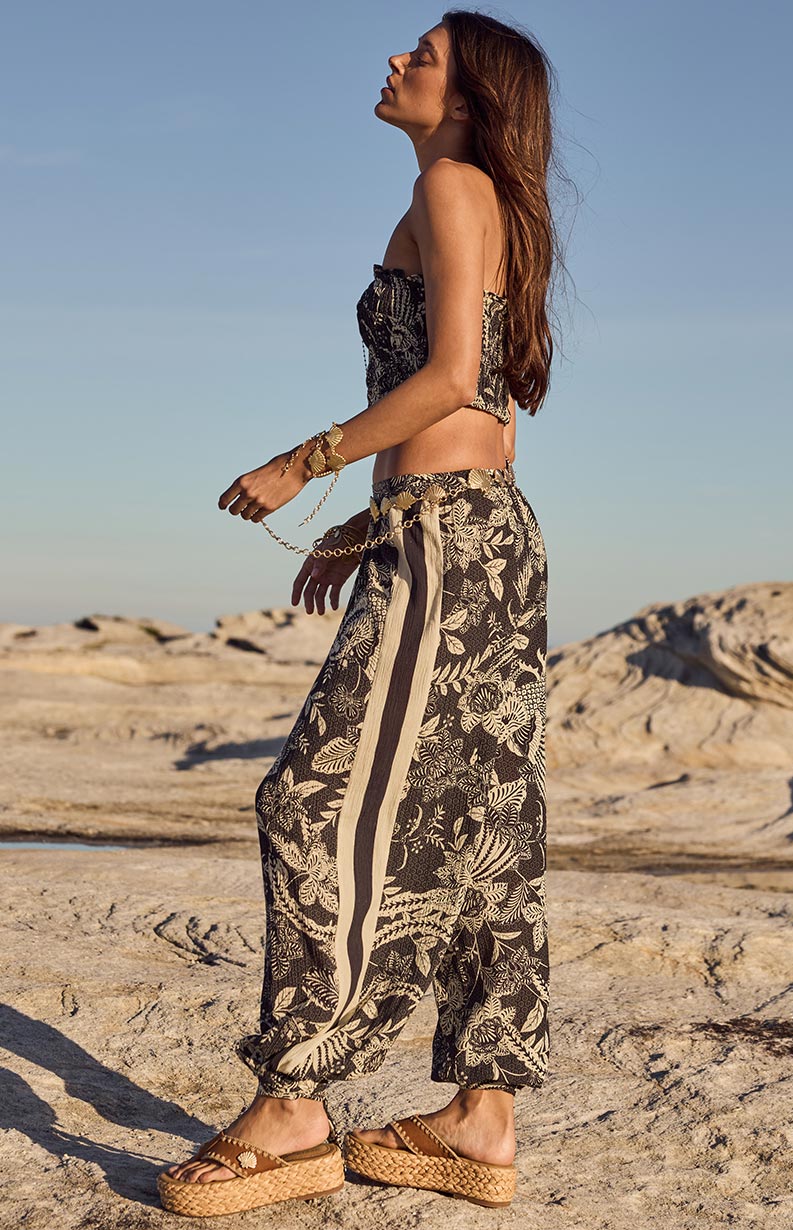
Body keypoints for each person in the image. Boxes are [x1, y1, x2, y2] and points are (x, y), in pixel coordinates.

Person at [158, 8, 564, 1215]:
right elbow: (474, 403)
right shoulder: (473, 195)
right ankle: (480, 1123)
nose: (395, 61)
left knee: (315, 799)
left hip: (451, 539)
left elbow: (447, 380)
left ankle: (294, 1107)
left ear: (471, 93)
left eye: (423, 55)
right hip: (470, 530)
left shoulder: (453, 188)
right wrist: (369, 516)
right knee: (485, 830)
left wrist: (308, 461)